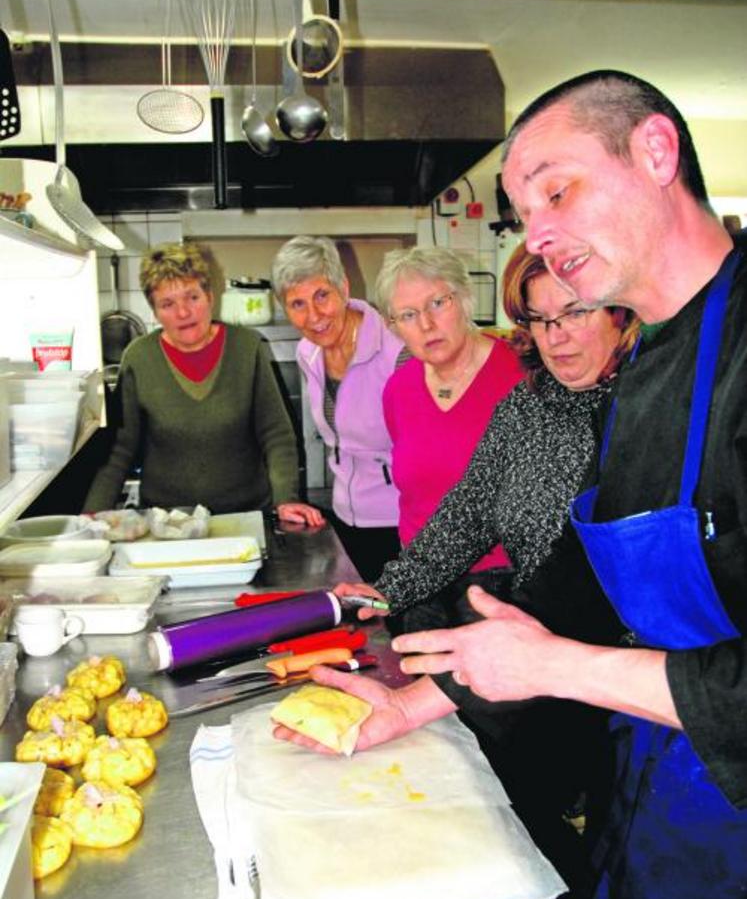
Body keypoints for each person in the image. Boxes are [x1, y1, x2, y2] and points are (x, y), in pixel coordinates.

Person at [277, 71, 747, 899]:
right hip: (658, 792)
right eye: (523, 210)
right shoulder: (659, 365)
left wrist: (552, 667)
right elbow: (584, 569)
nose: (537, 233)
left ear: (657, 153)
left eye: (556, 189)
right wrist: (426, 692)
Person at [335, 243, 636, 899]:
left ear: (618, 310)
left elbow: (586, 576)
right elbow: (463, 517)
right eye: (537, 319)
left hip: (631, 677)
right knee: (529, 830)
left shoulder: (640, 409)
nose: (554, 337)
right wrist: (385, 591)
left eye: (574, 312)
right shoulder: (525, 408)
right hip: (534, 652)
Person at [85, 242, 322, 523]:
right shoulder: (139, 358)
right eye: (168, 304)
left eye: (192, 297)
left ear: (210, 295)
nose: (183, 313)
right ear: (154, 311)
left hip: (247, 518)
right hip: (168, 524)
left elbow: (277, 436)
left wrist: (286, 500)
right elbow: (119, 450)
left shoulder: (247, 348)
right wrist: (91, 514)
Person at [375, 246, 524, 629]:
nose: (426, 324)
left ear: (464, 297)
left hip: (501, 583)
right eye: (408, 315)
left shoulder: (521, 376)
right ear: (394, 327)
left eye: (437, 303)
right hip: (420, 584)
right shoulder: (399, 389)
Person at [271, 235, 407, 580]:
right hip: (345, 518)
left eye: (321, 295)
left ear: (344, 288)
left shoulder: (396, 352)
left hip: (402, 524)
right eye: (297, 304)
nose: (314, 315)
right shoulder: (308, 353)